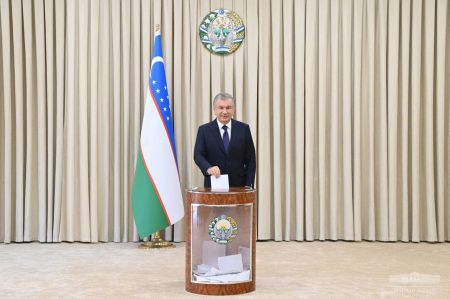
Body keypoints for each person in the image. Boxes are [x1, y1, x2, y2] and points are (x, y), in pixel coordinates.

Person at [194, 92, 256, 188]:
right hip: (213, 185)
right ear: (214, 110)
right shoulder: (204, 130)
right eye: (221, 108)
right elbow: (198, 155)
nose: (225, 111)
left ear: (233, 110)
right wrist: (208, 168)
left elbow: (251, 160)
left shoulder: (244, 129)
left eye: (228, 107)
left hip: (239, 187)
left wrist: (248, 185)